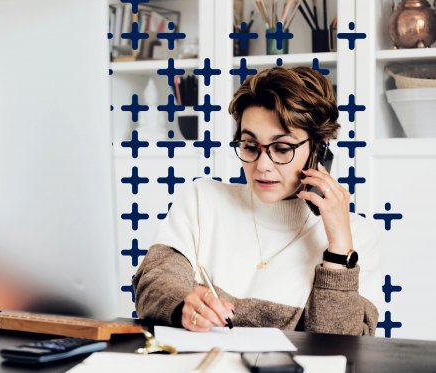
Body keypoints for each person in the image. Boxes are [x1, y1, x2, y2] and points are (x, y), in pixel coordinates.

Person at [132, 66, 382, 336]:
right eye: (250, 146)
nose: (263, 165)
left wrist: (337, 252)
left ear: (318, 149)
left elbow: (338, 345)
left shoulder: (354, 237)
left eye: (282, 148)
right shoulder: (201, 200)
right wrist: (184, 306)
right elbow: (153, 282)